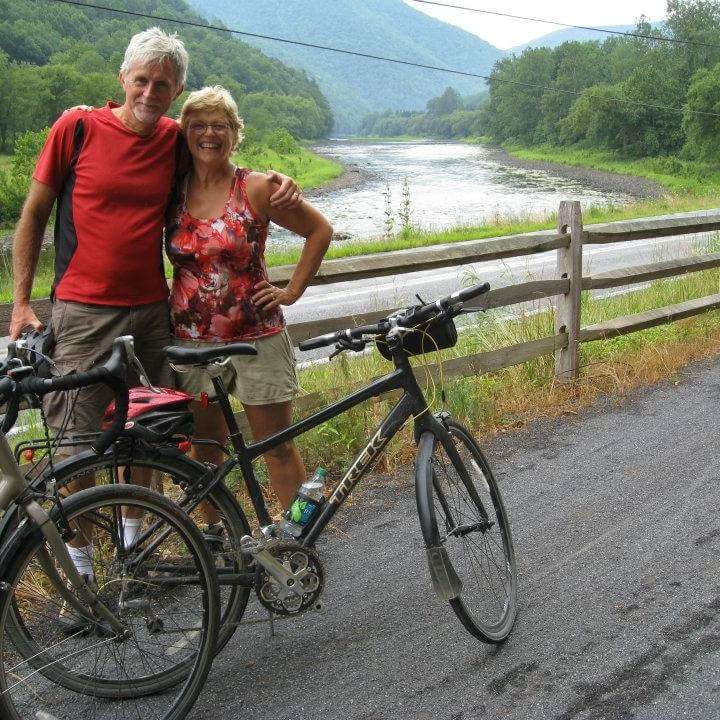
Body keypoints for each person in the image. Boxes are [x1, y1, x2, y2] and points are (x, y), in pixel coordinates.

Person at [9, 28, 301, 593]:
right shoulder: (76, 128)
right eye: (141, 80)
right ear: (123, 80)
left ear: (176, 90)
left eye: (162, 84)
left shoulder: (174, 139)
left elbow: (218, 158)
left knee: (157, 432)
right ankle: (84, 573)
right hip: (82, 310)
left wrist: (276, 182)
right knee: (77, 439)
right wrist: (21, 302)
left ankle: (134, 544)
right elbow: (34, 213)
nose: (149, 91)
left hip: (152, 311)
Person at [167, 85, 332, 512]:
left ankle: (299, 537)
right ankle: (214, 539)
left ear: (234, 134)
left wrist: (291, 290)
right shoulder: (171, 191)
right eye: (199, 125)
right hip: (192, 344)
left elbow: (320, 230)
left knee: (276, 446)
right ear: (185, 132)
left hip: (258, 337)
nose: (209, 134)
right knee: (205, 451)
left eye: (219, 125)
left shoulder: (257, 188)